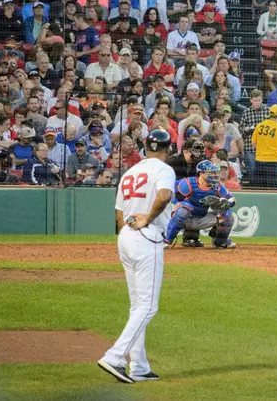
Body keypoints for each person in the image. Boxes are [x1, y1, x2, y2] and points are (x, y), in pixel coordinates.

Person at [98, 130, 175, 384]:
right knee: (148, 306)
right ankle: (115, 357)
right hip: (146, 236)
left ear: (145, 147)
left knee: (137, 305)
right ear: (168, 149)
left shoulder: (130, 172)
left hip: (126, 237)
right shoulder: (164, 169)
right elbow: (164, 196)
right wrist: (148, 219)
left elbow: (119, 214)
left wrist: (131, 231)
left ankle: (139, 367)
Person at [164, 160, 237, 248]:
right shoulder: (189, 183)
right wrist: (176, 202)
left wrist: (225, 202)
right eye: (211, 172)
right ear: (201, 173)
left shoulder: (217, 186)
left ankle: (220, 241)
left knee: (227, 213)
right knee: (183, 209)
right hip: (185, 218)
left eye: (215, 172)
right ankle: (167, 240)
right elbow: (169, 190)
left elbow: (232, 200)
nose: (214, 175)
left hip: (202, 218)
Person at [251, 105, 277, 188]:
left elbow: (253, 143)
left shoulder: (260, 125)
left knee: (259, 189)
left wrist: (263, 150)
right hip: (273, 163)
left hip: (259, 162)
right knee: (273, 190)